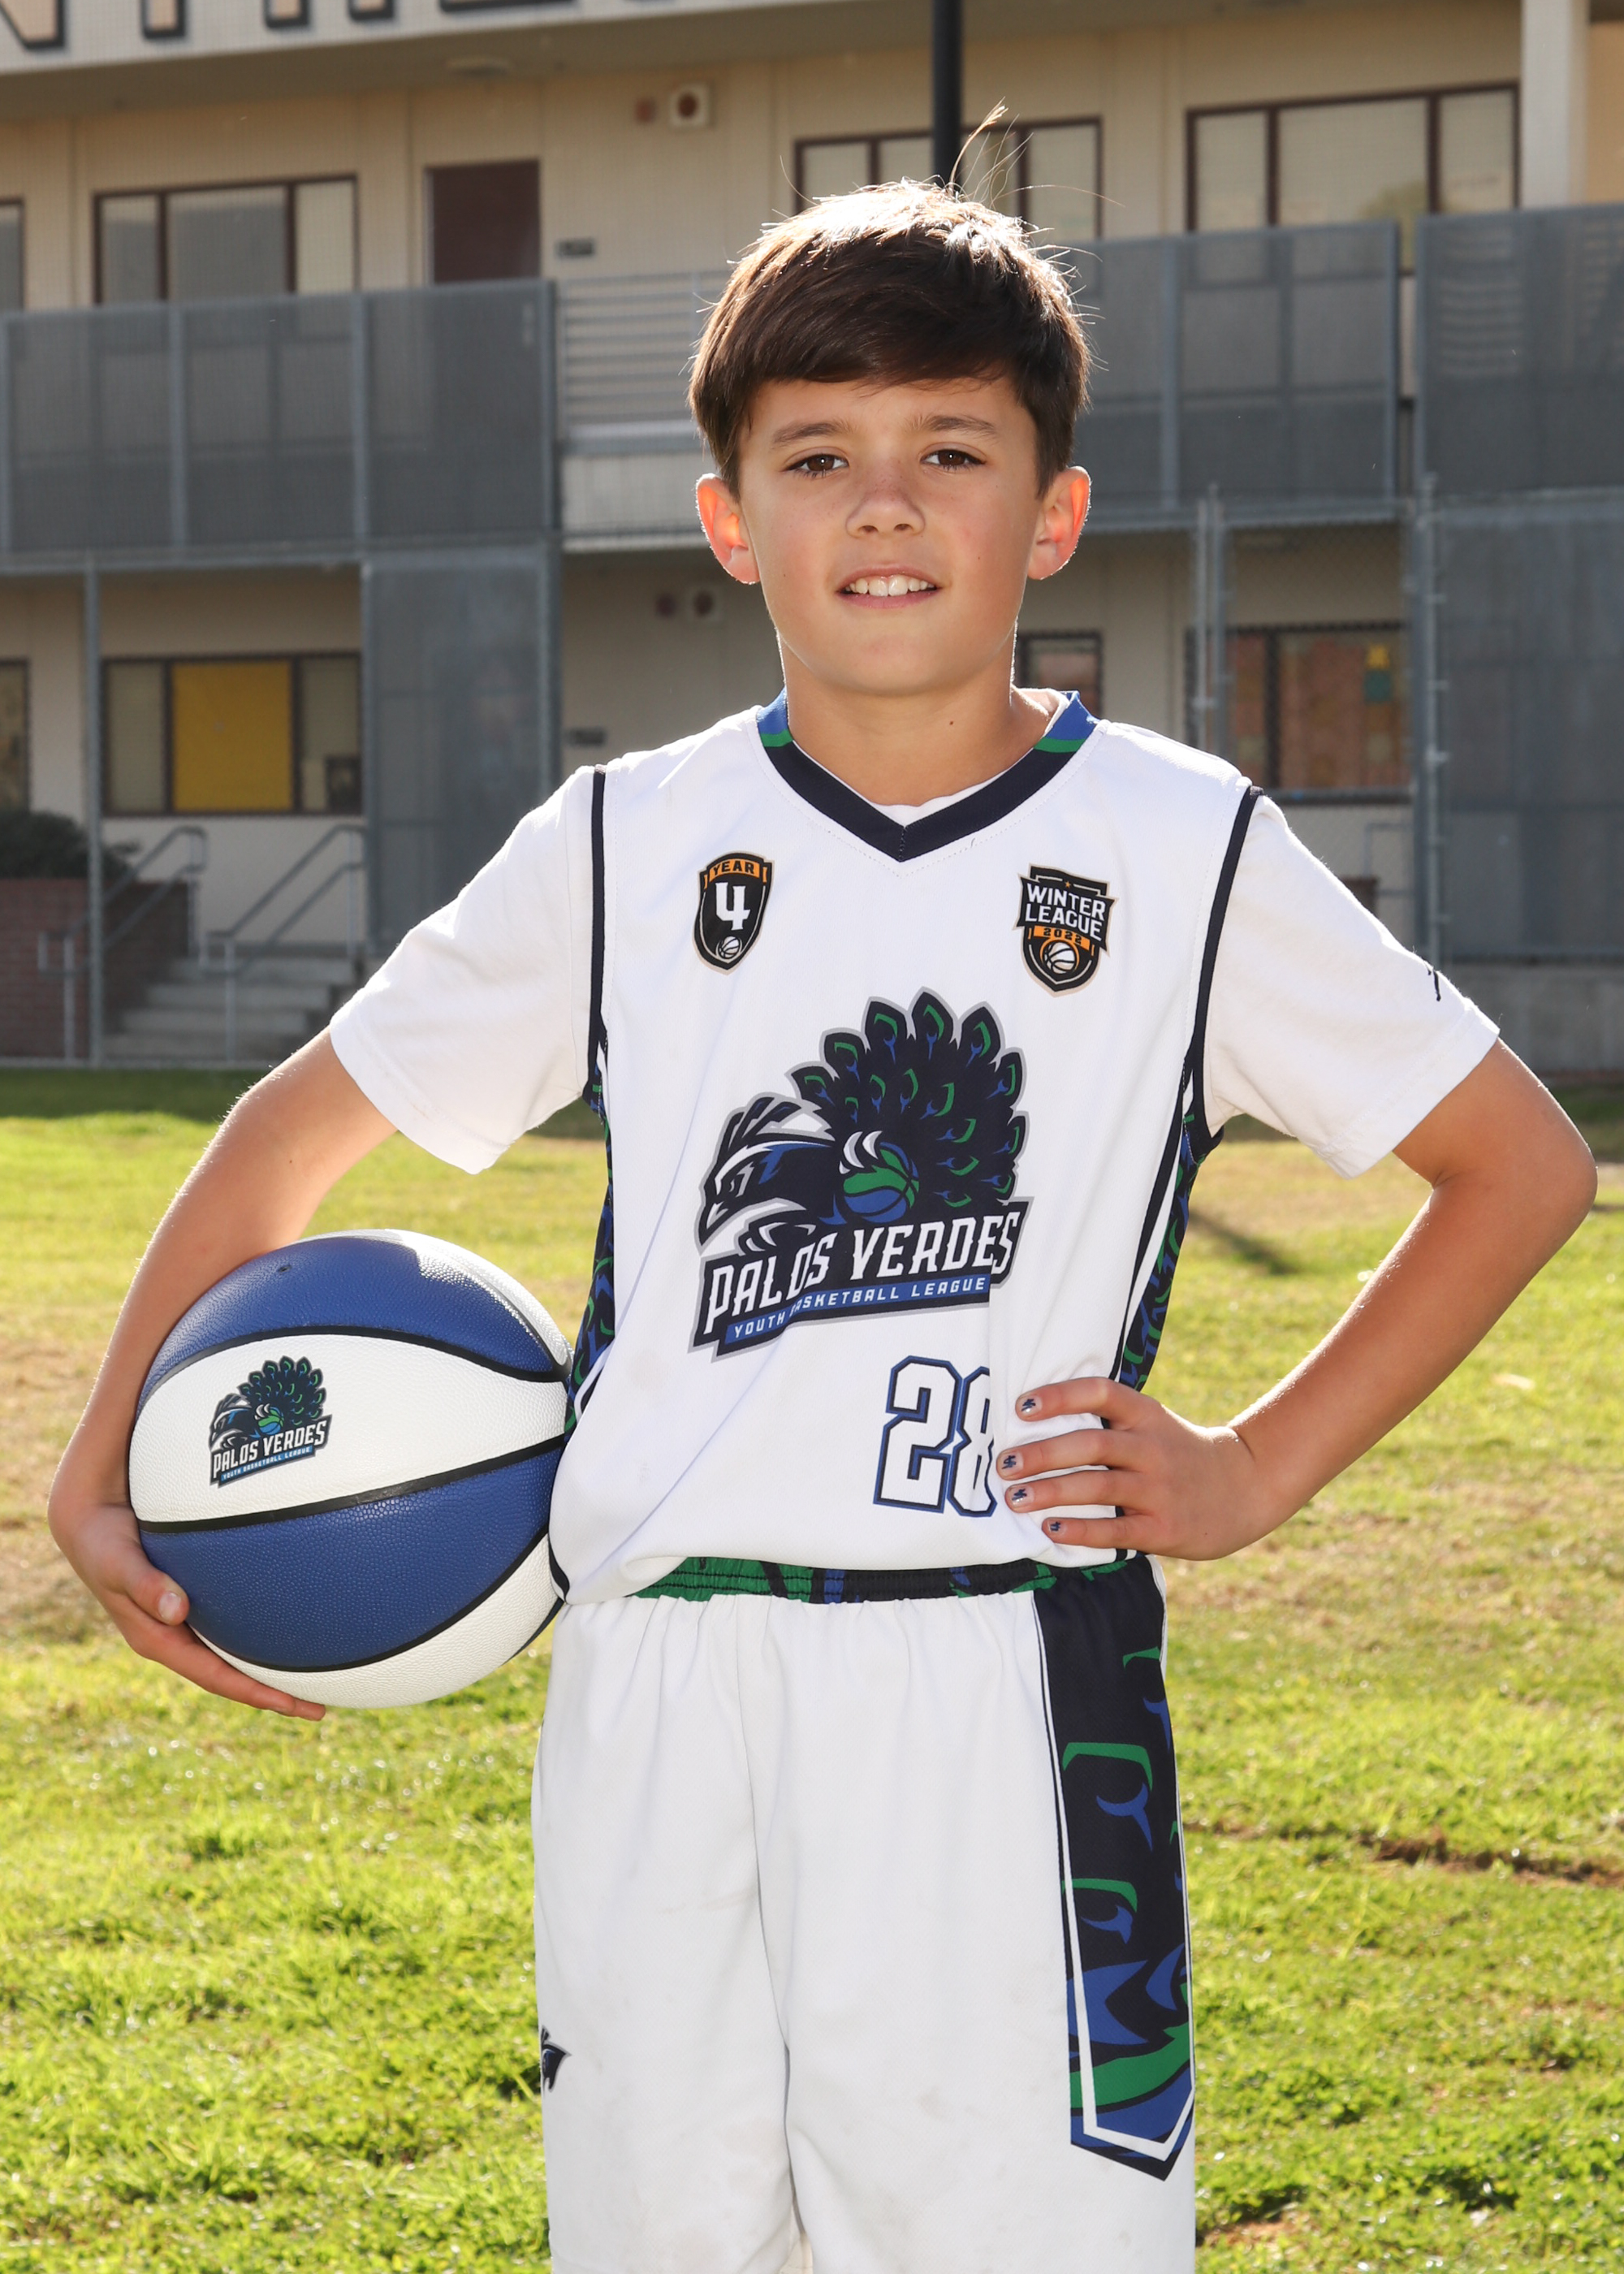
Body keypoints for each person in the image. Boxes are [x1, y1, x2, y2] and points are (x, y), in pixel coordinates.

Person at [50, 184, 1595, 2274]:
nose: (885, 503)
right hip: (659, 1677)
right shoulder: (625, 842)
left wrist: (1253, 1468)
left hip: (1000, 1669)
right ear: (727, 521)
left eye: (950, 450)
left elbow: (1519, 1163)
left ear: (1053, 515)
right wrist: (98, 1459)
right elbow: (286, 1138)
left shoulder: (1181, 846)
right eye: (817, 457)